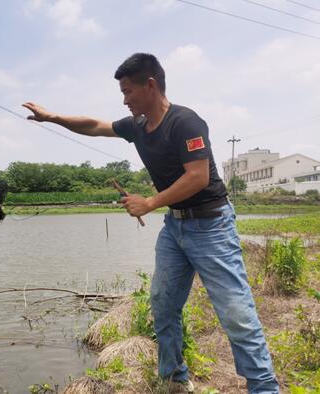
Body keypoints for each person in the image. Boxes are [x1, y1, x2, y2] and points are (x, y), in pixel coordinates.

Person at [23, 53, 279, 393]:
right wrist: (52, 117)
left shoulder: (186, 122)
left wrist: (150, 203)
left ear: (151, 85)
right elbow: (93, 126)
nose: (125, 100)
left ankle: (264, 387)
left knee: (236, 313)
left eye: (128, 91)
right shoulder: (137, 126)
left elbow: (198, 177)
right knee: (163, 303)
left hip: (211, 226)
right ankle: (174, 379)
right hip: (175, 228)